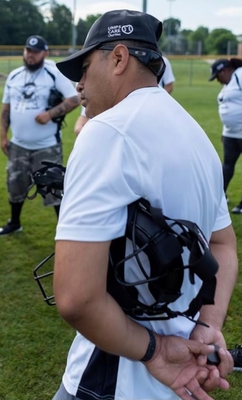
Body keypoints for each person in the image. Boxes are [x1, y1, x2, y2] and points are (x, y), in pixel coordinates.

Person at [50, 9, 238, 400]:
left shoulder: (106, 132)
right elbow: (224, 246)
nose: (79, 83)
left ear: (118, 59)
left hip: (114, 377)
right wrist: (208, 325)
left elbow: (76, 298)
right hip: (182, 371)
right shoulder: (196, 135)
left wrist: (154, 350)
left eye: (84, 67)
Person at [0, 35, 79, 236]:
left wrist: (51, 114)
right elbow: (5, 107)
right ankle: (14, 222)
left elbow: (74, 98)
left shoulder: (53, 74)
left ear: (44, 54)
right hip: (18, 145)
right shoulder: (14, 76)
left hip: (46, 145)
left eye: (35, 52)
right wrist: (3, 136)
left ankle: (64, 231)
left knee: (53, 188)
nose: (30, 55)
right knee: (16, 184)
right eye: (27, 51)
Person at [74, 56, 175, 136]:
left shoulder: (164, 61)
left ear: (119, 60)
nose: (79, 86)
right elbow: (81, 121)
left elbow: (169, 85)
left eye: (86, 68)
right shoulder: (98, 97)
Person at [209, 58, 242, 214]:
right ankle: (220, 197)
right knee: (227, 166)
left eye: (217, 76)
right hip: (230, 133)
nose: (217, 80)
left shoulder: (240, 75)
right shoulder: (228, 84)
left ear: (224, 70)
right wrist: (225, 130)